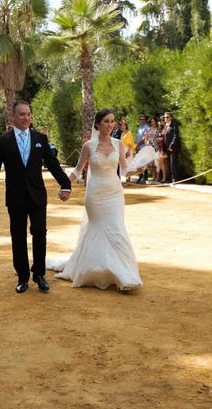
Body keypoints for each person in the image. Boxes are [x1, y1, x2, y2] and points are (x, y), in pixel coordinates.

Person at [0, 101, 72, 294]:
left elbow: (52, 163)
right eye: (22, 115)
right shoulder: (3, 141)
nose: (26, 118)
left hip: (37, 195)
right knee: (18, 236)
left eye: (28, 114)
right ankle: (22, 277)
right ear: (13, 117)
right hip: (15, 197)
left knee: (40, 233)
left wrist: (65, 184)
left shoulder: (40, 138)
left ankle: (39, 274)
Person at [52, 109, 143, 292]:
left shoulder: (119, 145)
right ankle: (93, 270)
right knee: (97, 229)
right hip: (95, 195)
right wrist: (65, 186)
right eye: (106, 122)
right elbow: (77, 171)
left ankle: (124, 275)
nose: (110, 125)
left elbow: (125, 171)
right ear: (98, 124)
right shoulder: (89, 146)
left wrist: (139, 170)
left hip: (115, 194)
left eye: (112, 122)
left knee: (117, 229)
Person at [163, 112, 180, 182]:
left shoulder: (174, 125)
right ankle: (170, 178)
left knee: (173, 162)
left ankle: (174, 178)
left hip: (173, 147)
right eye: (165, 117)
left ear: (171, 118)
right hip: (166, 147)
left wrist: (171, 145)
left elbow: (175, 136)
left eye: (167, 117)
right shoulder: (165, 126)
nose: (165, 118)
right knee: (168, 163)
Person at [135, 115, 150, 184]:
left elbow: (144, 138)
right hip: (139, 147)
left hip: (143, 147)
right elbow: (137, 136)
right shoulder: (139, 127)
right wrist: (136, 144)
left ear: (146, 120)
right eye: (141, 119)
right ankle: (140, 177)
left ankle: (144, 177)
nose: (142, 120)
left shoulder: (147, 127)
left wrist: (138, 144)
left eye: (143, 119)